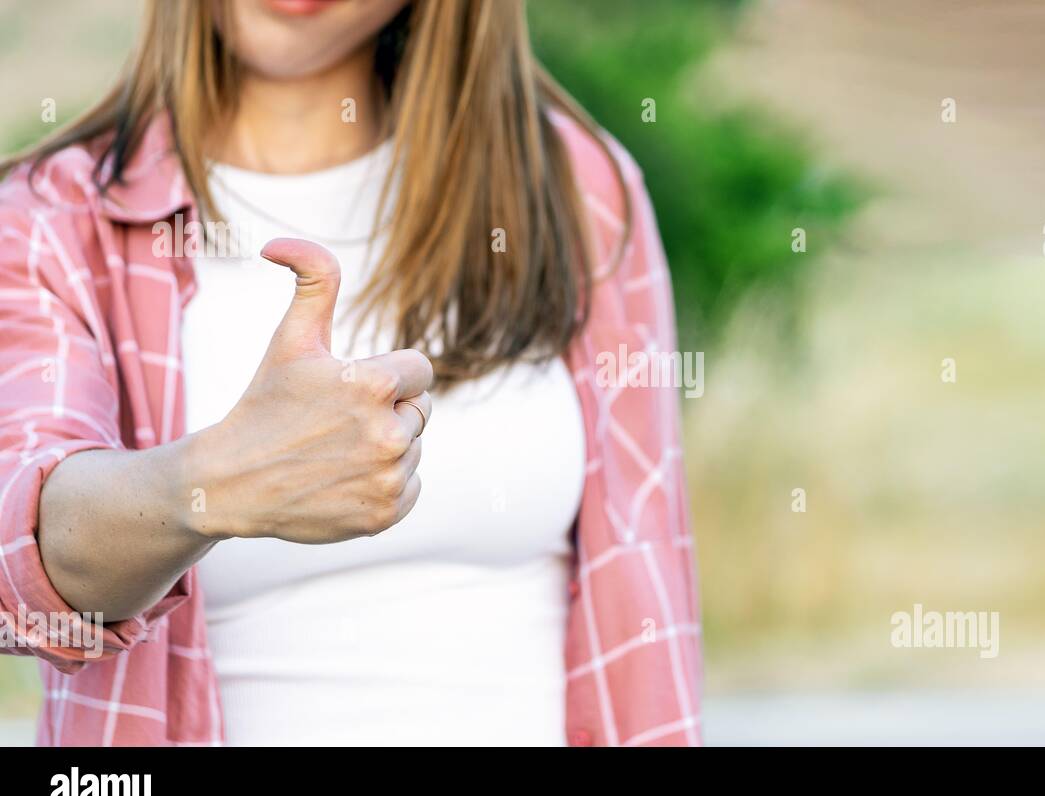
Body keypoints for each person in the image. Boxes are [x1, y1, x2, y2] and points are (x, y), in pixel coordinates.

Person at [0, 0, 700, 746]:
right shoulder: (51, 219)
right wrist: (217, 481)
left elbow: (647, 593)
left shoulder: (577, 185)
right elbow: (23, 555)